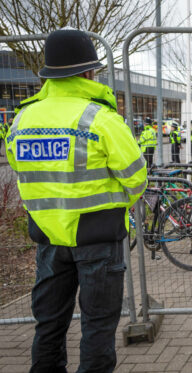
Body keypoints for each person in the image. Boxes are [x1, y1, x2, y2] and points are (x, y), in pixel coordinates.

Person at [4, 28, 147, 373]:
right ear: (88, 73)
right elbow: (137, 177)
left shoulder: (23, 118)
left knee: (49, 325)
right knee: (97, 327)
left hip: (49, 238)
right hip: (97, 238)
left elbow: (17, 166)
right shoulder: (100, 118)